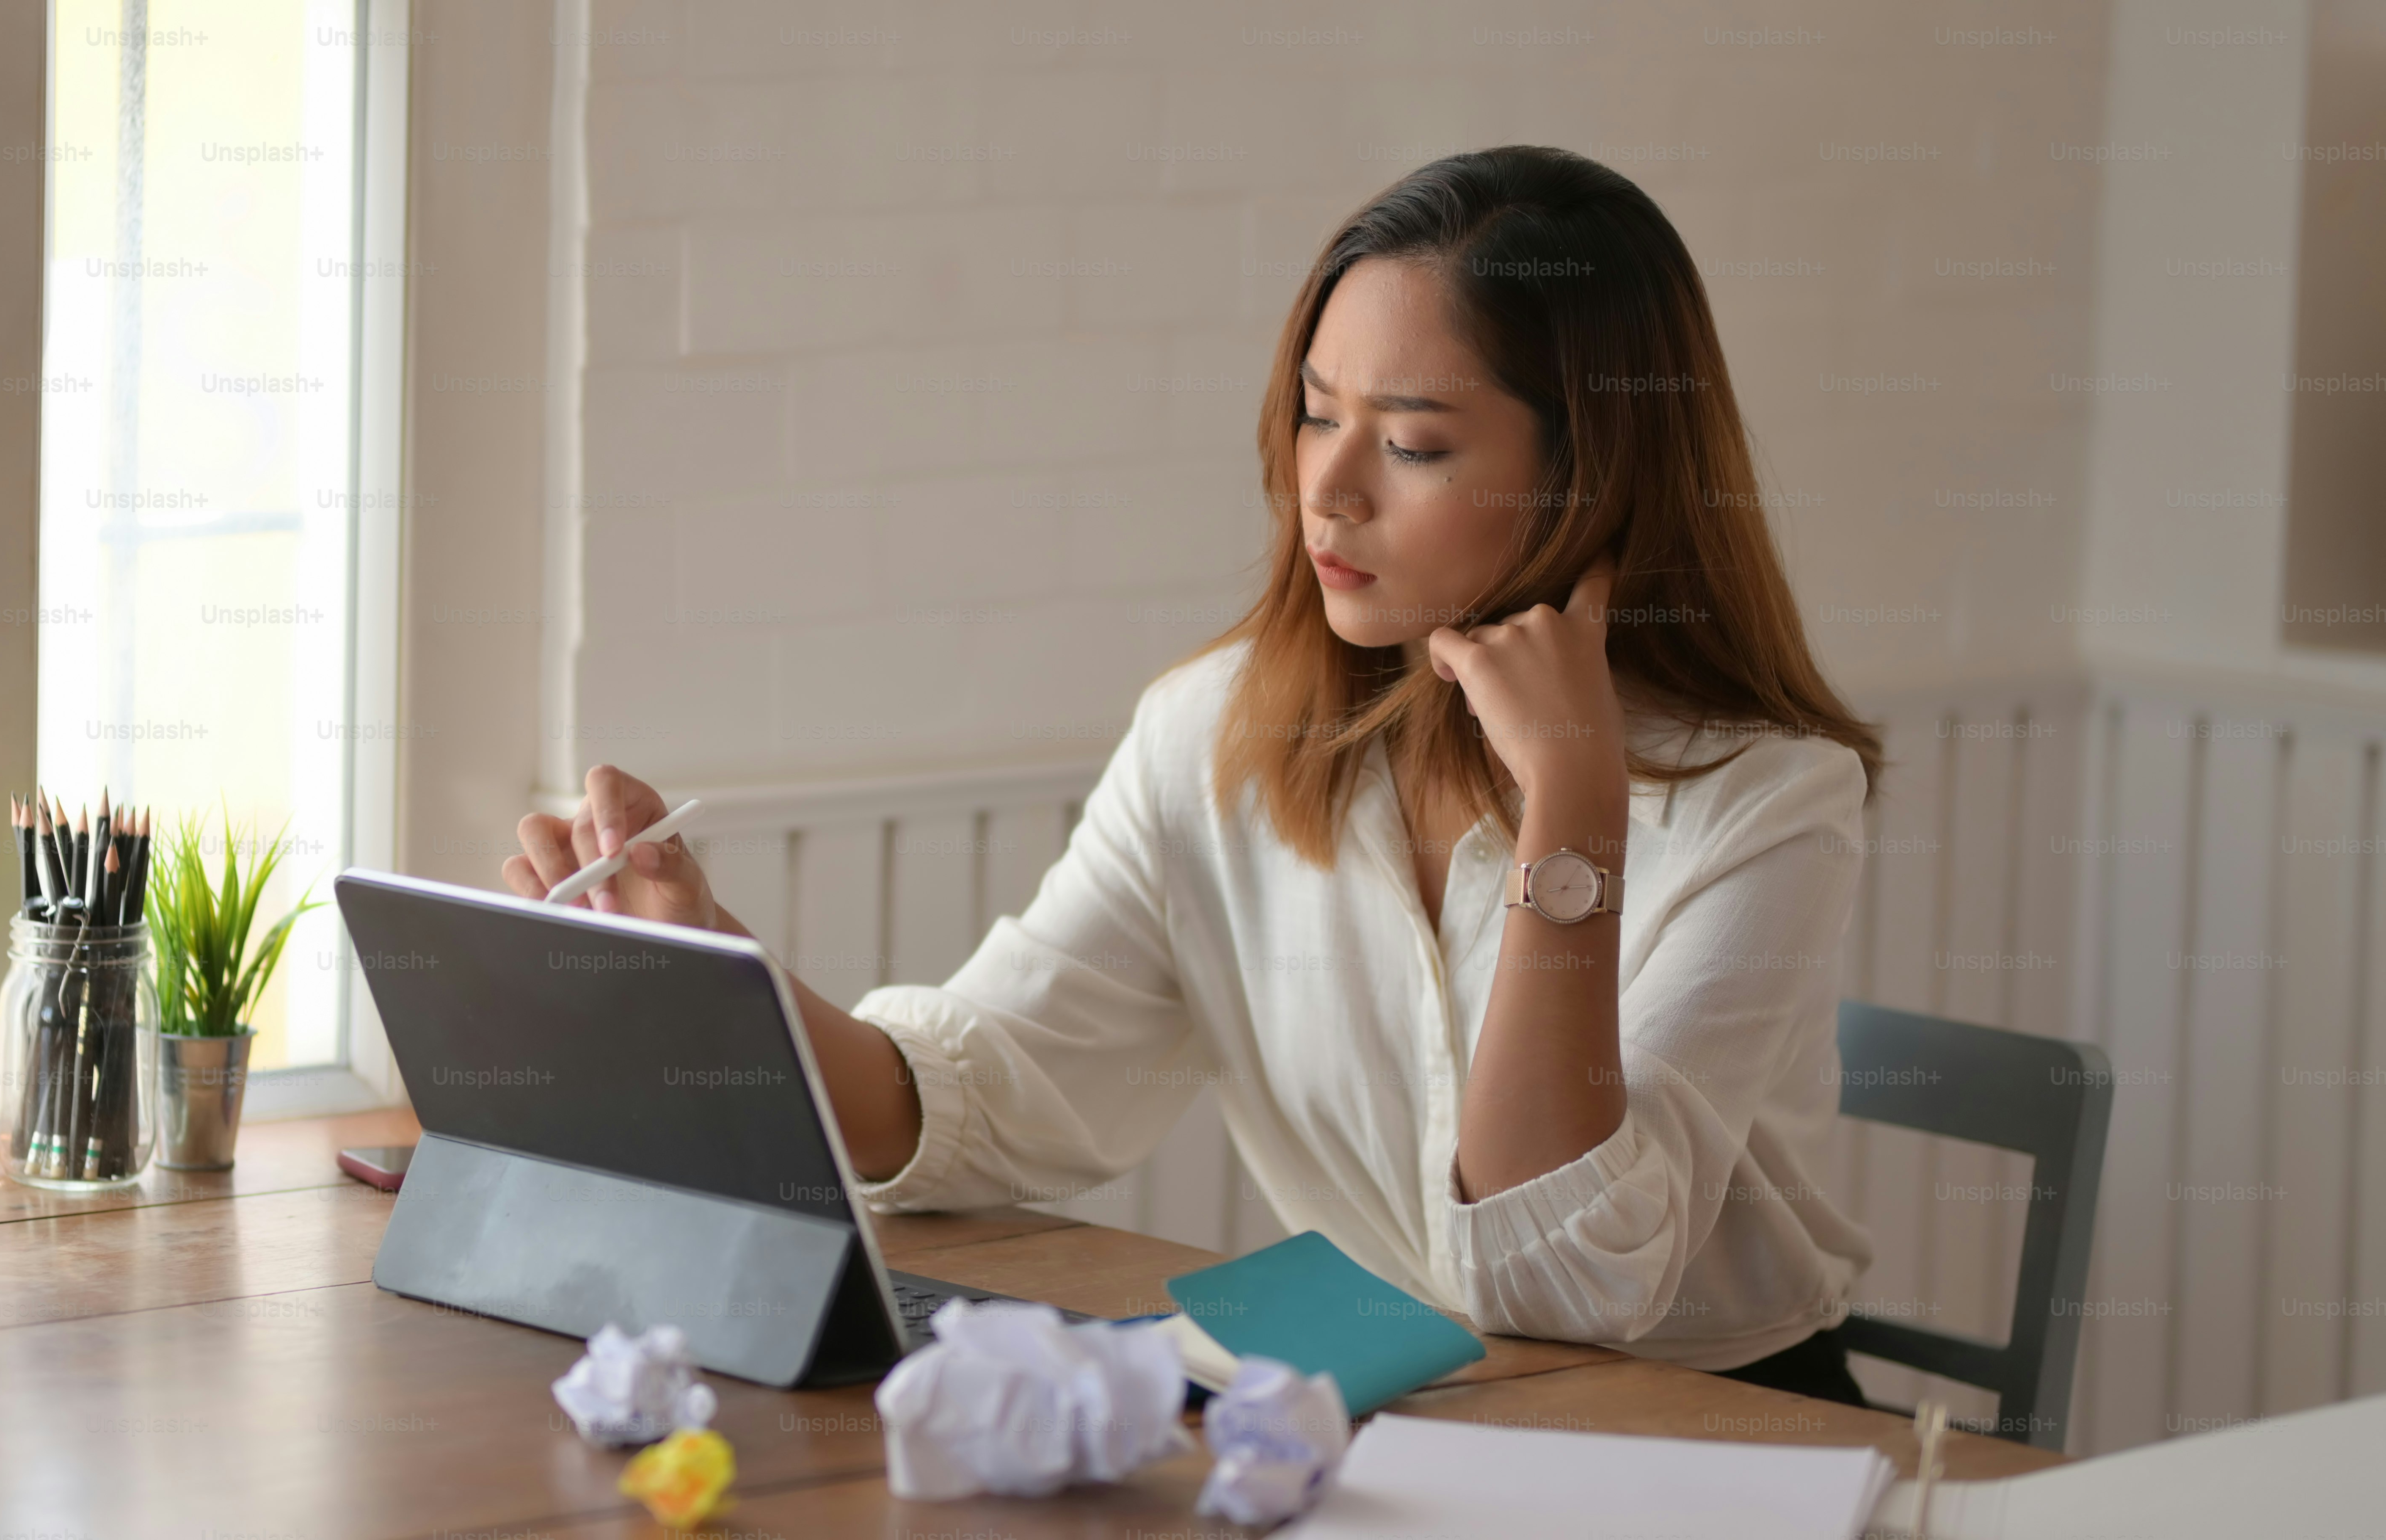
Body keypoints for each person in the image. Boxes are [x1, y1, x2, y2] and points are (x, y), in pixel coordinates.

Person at [505, 146, 1881, 1404]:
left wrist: (1572, 806)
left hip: (1710, 1444)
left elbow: (1566, 1288)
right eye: (1314, 414)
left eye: (1412, 444)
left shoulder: (1774, 806)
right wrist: (722, 973)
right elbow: (999, 1096)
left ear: (1596, 478)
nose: (1326, 490)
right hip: (1386, 1416)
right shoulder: (1217, 731)